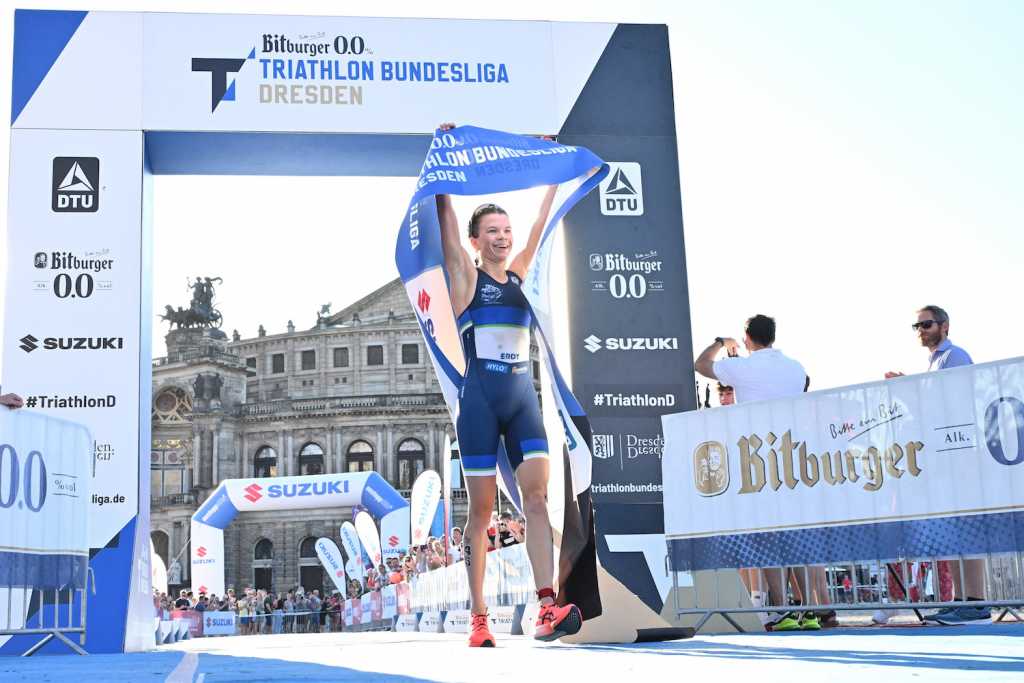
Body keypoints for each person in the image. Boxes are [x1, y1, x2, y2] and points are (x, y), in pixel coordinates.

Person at [436, 122, 582, 648]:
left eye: (506, 229)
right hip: (479, 403)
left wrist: (548, 172)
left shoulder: (519, 274)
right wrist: (446, 167)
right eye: (491, 231)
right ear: (477, 242)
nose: (502, 236)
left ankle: (547, 605)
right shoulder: (466, 279)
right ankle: (479, 617)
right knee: (479, 513)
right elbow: (446, 229)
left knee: (537, 500)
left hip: (523, 398)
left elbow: (542, 225)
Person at [695, 314, 813, 629]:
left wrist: (721, 344)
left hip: (758, 457)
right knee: (793, 534)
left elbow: (701, 364)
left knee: (766, 535)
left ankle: (782, 609)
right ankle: (809, 608)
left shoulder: (744, 367)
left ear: (747, 337)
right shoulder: (794, 366)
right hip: (793, 455)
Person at [884, 305, 989, 626]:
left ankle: (976, 602)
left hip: (959, 452)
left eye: (926, 324)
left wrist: (911, 389)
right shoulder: (935, 362)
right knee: (955, 529)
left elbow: (954, 404)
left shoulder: (954, 356)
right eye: (916, 325)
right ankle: (962, 600)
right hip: (944, 454)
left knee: (966, 527)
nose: (921, 330)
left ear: (944, 325)